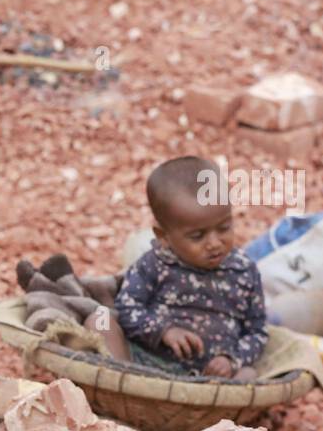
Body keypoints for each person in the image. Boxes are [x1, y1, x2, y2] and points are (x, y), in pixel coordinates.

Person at [89, 156, 267, 380]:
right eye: (197, 236)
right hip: (143, 363)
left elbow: (257, 332)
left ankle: (205, 409)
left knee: (248, 375)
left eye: (224, 228)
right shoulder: (155, 264)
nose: (214, 243)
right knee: (100, 319)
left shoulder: (244, 271)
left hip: (208, 377)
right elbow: (126, 307)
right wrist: (163, 331)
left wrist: (231, 360)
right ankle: (122, 384)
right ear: (164, 236)